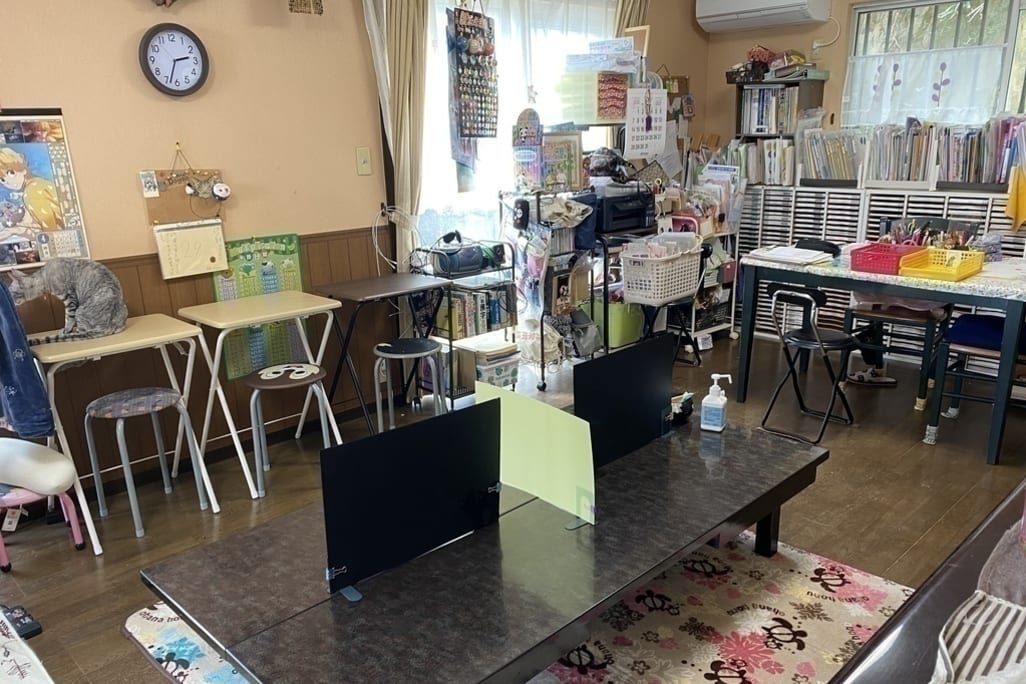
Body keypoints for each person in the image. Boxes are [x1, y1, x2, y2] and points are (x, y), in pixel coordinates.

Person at [0, 147, 64, 233]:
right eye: (2, 180)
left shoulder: (31, 192)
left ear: (23, 169)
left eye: (11, 173)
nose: (8, 182)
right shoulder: (38, 182)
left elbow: (51, 230)